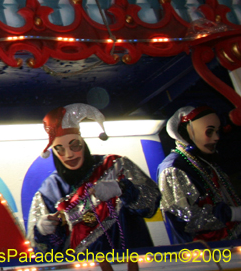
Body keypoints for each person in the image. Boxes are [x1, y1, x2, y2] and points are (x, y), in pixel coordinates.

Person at [27, 104, 160, 270]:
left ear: (82, 142)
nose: (69, 154)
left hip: (135, 263)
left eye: (74, 145)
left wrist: (122, 189)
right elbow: (44, 257)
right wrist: (44, 232)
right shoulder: (49, 191)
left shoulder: (116, 165)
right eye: (59, 149)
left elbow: (151, 203)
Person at [157, 106, 241, 243]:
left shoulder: (206, 163)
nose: (217, 138)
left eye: (217, 131)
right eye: (209, 132)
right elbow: (186, 218)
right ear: (186, 133)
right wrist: (232, 213)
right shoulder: (174, 168)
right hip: (205, 255)